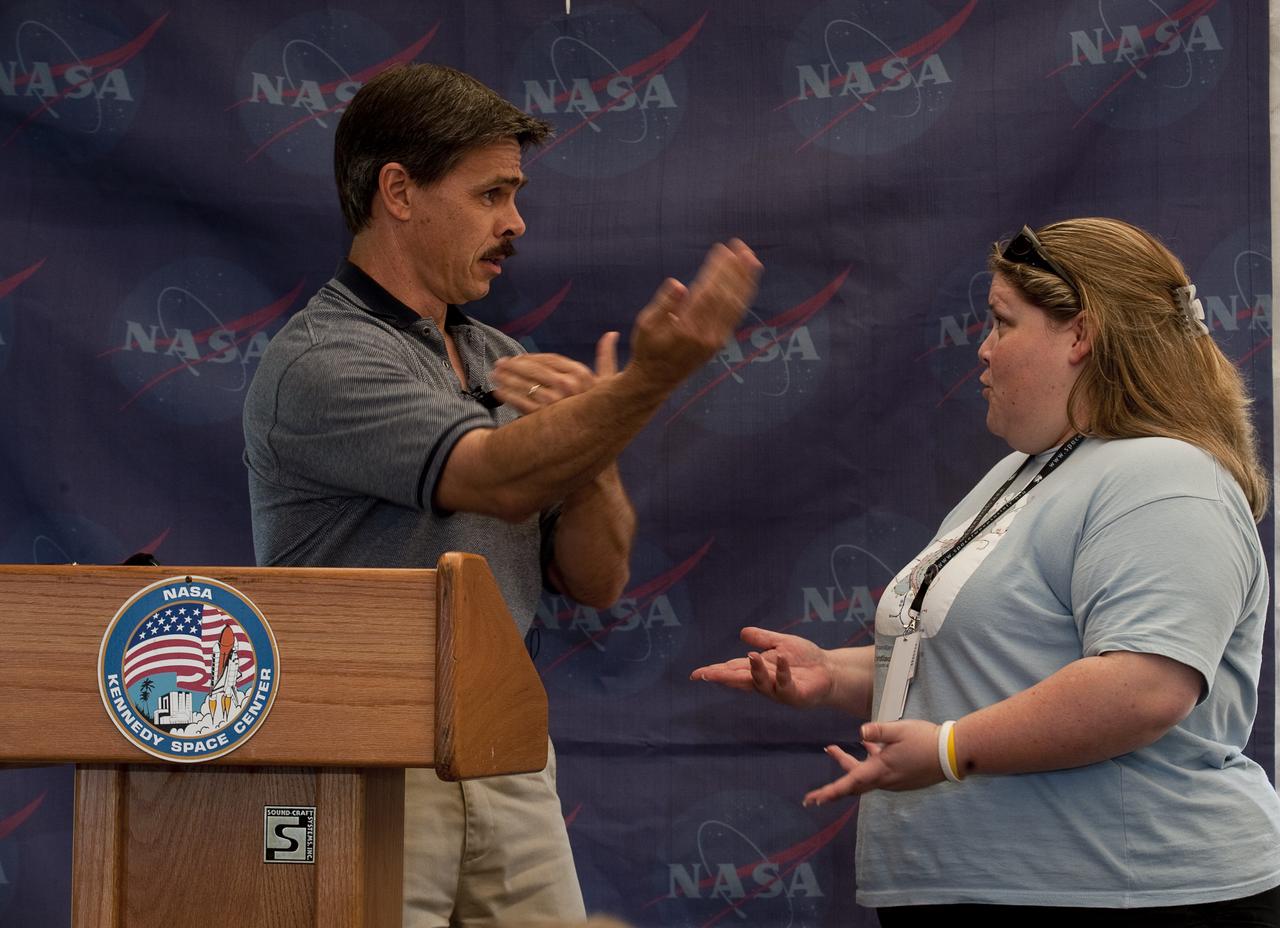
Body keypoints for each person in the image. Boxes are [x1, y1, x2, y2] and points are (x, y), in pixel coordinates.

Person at [242, 62, 760, 927]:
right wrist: (649, 381)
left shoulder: (497, 356)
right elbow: (493, 479)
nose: (516, 221)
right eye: (491, 194)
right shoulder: (321, 360)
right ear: (398, 192)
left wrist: (591, 449)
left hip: (505, 747)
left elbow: (597, 580)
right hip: (355, 755)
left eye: (515, 194)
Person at [693, 218, 1280, 926]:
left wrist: (949, 750)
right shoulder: (1023, 471)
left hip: (1133, 894)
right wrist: (838, 675)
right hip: (984, 891)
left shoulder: (1165, 475)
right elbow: (996, 663)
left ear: (1081, 336)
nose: (983, 348)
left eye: (1003, 323)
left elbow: (1144, 687)